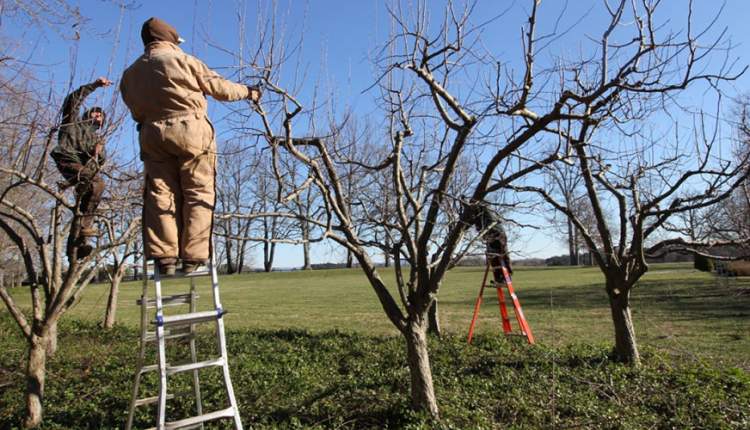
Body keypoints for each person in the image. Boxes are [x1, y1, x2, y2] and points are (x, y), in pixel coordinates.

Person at [120, 17, 262, 275]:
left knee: (159, 195)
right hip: (191, 132)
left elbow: (133, 106)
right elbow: (221, 89)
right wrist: (250, 92)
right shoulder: (184, 61)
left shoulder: (130, 74)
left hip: (152, 134)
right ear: (171, 40)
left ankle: (164, 257)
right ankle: (193, 257)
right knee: (198, 192)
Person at [51, 77, 112, 262]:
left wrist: (98, 153)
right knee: (98, 183)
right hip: (66, 157)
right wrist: (94, 85)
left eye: (101, 117)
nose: (97, 117)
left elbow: (97, 165)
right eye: (95, 113)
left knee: (84, 206)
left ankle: (76, 248)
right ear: (87, 114)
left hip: (82, 171)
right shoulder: (72, 122)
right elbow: (72, 100)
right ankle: (84, 232)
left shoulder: (96, 139)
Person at [471, 203, 513, 284]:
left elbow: (485, 225)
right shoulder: (479, 215)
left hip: (498, 235)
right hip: (490, 237)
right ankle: (498, 278)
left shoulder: (485, 212)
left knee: (502, 255)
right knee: (492, 258)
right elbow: (479, 227)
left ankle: (507, 278)